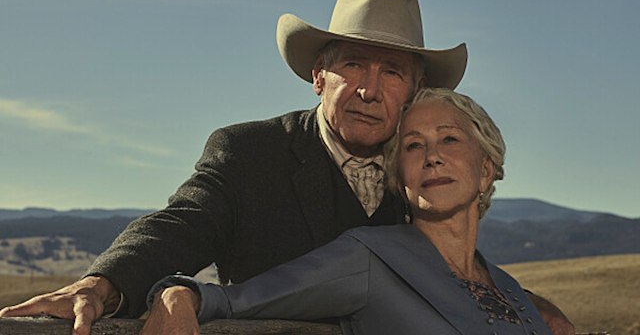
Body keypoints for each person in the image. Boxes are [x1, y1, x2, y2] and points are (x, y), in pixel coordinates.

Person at [0, 0, 573, 334]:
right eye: (353, 64)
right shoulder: (251, 153)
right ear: (318, 75)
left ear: (413, 91)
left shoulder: (420, 171)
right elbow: (182, 225)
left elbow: (447, 270)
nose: (370, 89)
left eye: (392, 71)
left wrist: (530, 307)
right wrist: (102, 284)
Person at [142, 88, 554, 335]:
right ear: (399, 177)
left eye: (449, 139)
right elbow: (236, 301)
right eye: (413, 145)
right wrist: (178, 292)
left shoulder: (509, 289)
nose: (432, 157)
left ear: (486, 171)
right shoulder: (368, 258)